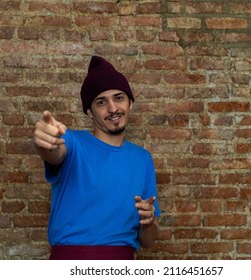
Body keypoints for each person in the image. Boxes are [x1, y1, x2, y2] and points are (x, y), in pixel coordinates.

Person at [33, 55, 161, 260]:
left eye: (119, 98)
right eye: (101, 102)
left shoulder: (143, 159)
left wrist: (149, 221)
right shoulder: (72, 142)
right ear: (89, 112)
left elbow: (148, 241)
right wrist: (45, 142)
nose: (112, 109)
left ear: (130, 103)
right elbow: (54, 152)